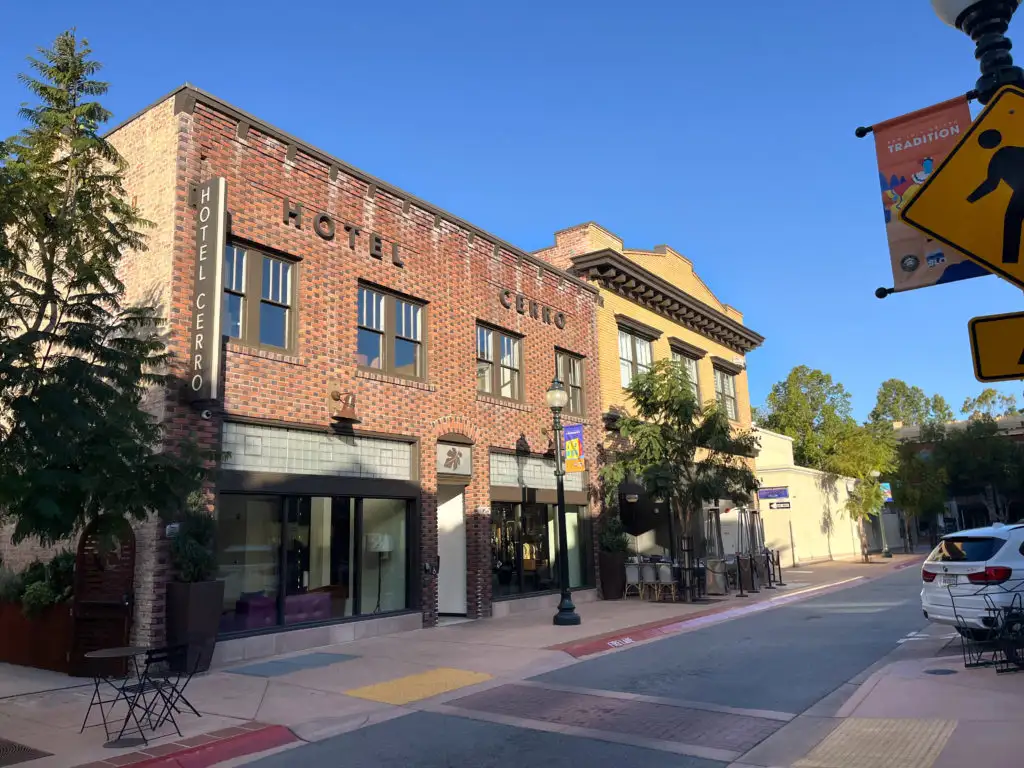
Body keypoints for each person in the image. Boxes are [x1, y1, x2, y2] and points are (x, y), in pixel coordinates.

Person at [966, 128, 1024, 265]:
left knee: (1012, 220)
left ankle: (1010, 261)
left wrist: (969, 200)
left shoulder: (999, 157)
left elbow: (991, 185)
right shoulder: (1015, 150)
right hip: (1020, 193)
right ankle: (1010, 262)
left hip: (1021, 192)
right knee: (1012, 220)